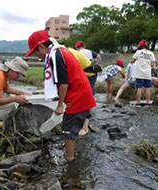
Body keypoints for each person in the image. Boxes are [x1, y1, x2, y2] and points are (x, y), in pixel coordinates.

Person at [25, 30, 96, 162]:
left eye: (35, 52)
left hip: (78, 97)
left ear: (41, 47)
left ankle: (70, 161)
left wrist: (59, 106)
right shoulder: (59, 51)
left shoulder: (55, 55)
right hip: (82, 93)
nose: (36, 56)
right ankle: (74, 154)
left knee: (68, 130)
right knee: (72, 127)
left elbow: (64, 83)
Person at [132, 40, 156, 107]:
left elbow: (133, 61)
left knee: (139, 88)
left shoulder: (138, 52)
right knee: (147, 88)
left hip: (139, 73)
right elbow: (152, 64)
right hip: (147, 73)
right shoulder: (151, 53)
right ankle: (147, 103)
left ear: (140, 45)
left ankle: (138, 103)